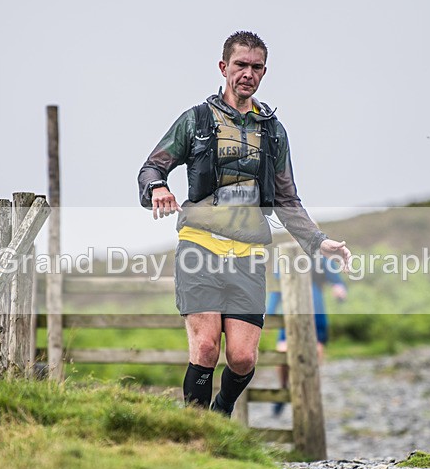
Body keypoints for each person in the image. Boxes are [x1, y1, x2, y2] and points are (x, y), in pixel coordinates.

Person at [137, 31, 351, 417]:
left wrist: (319, 243)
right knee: (205, 348)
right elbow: (153, 165)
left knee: (242, 358)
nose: (247, 73)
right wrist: (157, 187)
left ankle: (221, 412)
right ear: (224, 67)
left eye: (255, 67)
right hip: (200, 245)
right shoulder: (196, 121)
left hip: (249, 253)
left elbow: (287, 199)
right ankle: (197, 433)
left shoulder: (272, 131)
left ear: (264, 72)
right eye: (240, 65)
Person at [266, 256, 347, 416]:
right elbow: (277, 291)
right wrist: (269, 313)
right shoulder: (285, 259)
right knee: (283, 352)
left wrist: (340, 290)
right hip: (291, 314)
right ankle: (284, 389)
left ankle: (310, 393)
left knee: (315, 352)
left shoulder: (320, 260)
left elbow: (337, 280)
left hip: (316, 315)